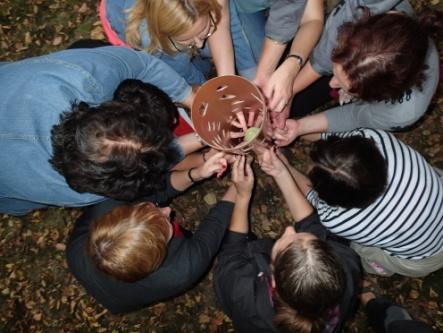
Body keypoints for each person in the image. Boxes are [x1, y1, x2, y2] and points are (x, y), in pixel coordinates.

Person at [0, 46, 204, 216]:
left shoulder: (79, 78)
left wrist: (191, 100)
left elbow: (144, 64)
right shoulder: (78, 192)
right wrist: (202, 138)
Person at [66, 154, 238, 314]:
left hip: (81, 254)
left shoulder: (110, 205)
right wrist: (239, 186)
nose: (168, 209)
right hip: (116, 300)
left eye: (151, 208)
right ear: (160, 254)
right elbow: (217, 222)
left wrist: (197, 174)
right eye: (165, 226)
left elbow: (158, 190)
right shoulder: (181, 270)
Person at [213, 155, 361, 333]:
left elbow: (232, 249)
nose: (290, 229)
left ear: (273, 279)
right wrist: (281, 172)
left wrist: (242, 196)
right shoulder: (347, 266)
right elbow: (312, 224)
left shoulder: (243, 294)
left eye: (285, 243)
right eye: (309, 237)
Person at [274, 128, 443, 277]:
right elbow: (336, 135)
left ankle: (377, 267)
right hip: (433, 207)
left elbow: (310, 194)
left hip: (426, 259)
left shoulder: (338, 221)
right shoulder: (378, 138)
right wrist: (295, 130)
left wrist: (285, 167)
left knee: (361, 248)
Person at [269, 0, 441, 135]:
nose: (331, 83)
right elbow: (324, 55)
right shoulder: (360, 9)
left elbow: (355, 116)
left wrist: (300, 127)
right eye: (336, 68)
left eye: (351, 91)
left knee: (301, 103)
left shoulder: (403, 113)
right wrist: (290, 89)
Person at [100, 0, 263, 83]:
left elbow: (227, 22)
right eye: (187, 39)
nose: (200, 44)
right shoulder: (146, 34)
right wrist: (212, 94)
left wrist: (244, 78)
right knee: (194, 70)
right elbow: (182, 76)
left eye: (203, 31)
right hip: (139, 27)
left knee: (254, 59)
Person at [249, 0, 324, 114]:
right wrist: (263, 74)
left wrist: (292, 64)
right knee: (252, 68)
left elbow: (313, 19)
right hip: (243, 9)